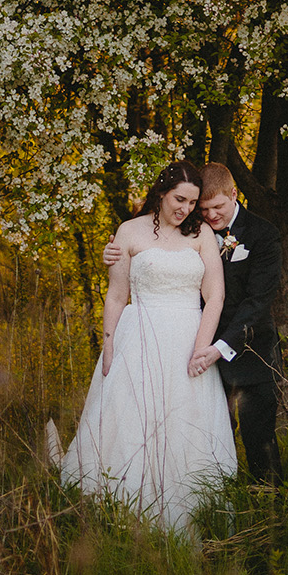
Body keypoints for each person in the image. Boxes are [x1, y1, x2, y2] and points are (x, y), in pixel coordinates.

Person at [60, 161, 237, 533]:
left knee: (184, 422)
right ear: (160, 194)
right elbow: (116, 297)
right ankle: (123, 509)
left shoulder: (201, 233)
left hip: (189, 337)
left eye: (191, 202)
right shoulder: (128, 231)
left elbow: (215, 295)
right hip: (138, 337)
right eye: (179, 199)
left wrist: (200, 349)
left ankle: (192, 511)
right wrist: (109, 347)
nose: (185, 209)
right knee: (133, 421)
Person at [105, 160, 283, 485]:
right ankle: (207, 492)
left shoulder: (262, 235)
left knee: (260, 441)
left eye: (217, 207)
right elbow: (148, 251)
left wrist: (218, 348)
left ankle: (269, 513)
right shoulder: (191, 226)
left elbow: (257, 303)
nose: (211, 215)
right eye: (205, 209)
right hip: (189, 349)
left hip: (246, 352)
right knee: (204, 435)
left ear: (233, 194)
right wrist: (114, 253)